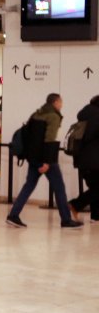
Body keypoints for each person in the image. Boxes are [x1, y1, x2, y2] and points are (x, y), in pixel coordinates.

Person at [7, 93, 84, 229]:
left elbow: (32, 139)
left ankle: (13, 215)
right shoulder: (53, 116)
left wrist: (34, 159)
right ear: (55, 102)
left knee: (29, 186)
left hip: (33, 157)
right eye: (60, 102)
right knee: (59, 187)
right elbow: (49, 139)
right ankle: (66, 220)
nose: (62, 104)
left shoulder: (37, 113)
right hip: (45, 159)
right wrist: (47, 162)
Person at [67, 96, 99, 224]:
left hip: (82, 160)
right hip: (95, 161)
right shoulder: (97, 117)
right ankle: (76, 204)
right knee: (97, 188)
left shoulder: (84, 116)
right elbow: (92, 136)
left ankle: (96, 216)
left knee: (95, 188)